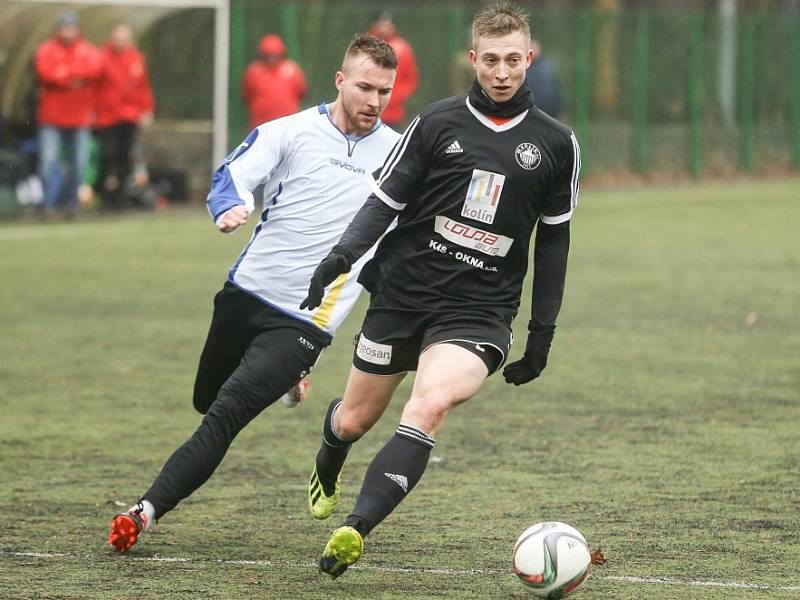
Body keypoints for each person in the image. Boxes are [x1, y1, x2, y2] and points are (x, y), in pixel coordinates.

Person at [302, 1, 581, 579]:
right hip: (404, 294)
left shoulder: (557, 144)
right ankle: (329, 458)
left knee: (428, 404)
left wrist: (542, 333)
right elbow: (385, 201)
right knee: (353, 420)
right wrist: (339, 258)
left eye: (513, 60)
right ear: (472, 60)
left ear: (529, 59)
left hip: (480, 311)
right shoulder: (436, 123)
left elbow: (553, 243)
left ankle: (356, 527)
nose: (502, 73)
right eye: (490, 61)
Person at [107, 34, 400, 553]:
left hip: (307, 321)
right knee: (206, 400)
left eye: (384, 91)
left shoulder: (398, 154)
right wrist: (229, 206)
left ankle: (143, 512)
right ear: (339, 80)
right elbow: (233, 174)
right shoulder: (290, 132)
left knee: (225, 416)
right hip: (246, 294)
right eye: (364, 88)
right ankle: (292, 382)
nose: (374, 102)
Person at [34, 12, 102, 216]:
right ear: (57, 29)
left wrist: (63, 74)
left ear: (77, 29)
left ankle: (72, 204)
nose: (67, 31)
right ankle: (47, 205)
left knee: (79, 163)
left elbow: (93, 71)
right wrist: (73, 78)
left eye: (70, 27)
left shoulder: (88, 50)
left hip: (79, 117)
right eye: (63, 27)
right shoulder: (46, 49)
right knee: (48, 162)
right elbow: (45, 73)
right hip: (51, 117)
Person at [94, 22, 155, 211]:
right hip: (107, 116)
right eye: (118, 37)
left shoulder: (136, 58)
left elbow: (143, 87)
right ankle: (102, 193)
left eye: (124, 38)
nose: (121, 41)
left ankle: (120, 197)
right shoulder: (101, 57)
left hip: (129, 117)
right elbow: (94, 87)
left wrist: (147, 109)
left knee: (124, 158)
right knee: (107, 155)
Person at [241, 34, 307, 130]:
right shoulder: (254, 71)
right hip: (261, 127)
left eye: (275, 55)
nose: (271, 59)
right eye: (268, 55)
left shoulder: (292, 69)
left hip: (288, 127)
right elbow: (246, 95)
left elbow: (302, 92)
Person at [368, 12, 418, 128]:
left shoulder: (403, 48)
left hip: (393, 113)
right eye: (382, 24)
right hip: (369, 110)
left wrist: (398, 96)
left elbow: (411, 77)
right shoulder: (367, 45)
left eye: (388, 24)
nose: (385, 28)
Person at [526, 37, 562, 118]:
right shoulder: (524, 68)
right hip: (531, 113)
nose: (533, 49)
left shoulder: (548, 67)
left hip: (549, 112)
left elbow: (556, 89)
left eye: (535, 47)